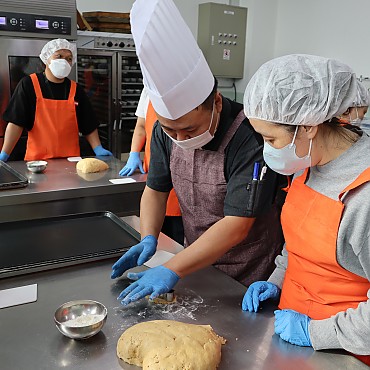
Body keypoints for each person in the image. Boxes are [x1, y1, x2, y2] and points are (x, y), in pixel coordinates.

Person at [111, 0, 285, 306]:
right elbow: (155, 190)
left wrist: (171, 267)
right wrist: (149, 236)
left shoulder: (251, 137)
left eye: (189, 130)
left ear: (216, 102)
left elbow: (237, 224)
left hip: (250, 271)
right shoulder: (163, 132)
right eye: (170, 129)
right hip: (196, 263)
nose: (179, 138)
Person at [242, 54, 370, 365]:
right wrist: (277, 280)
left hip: (346, 352)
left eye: (271, 138)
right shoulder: (306, 161)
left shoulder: (364, 195)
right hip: (290, 333)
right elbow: (300, 246)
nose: (267, 149)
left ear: (309, 127)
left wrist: (316, 333)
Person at [0, 38, 112, 162]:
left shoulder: (76, 89)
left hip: (71, 161)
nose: (64, 61)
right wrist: (4, 153)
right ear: (46, 59)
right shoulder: (29, 84)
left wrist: (98, 148)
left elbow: (88, 124)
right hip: (38, 163)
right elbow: (16, 123)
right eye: (59, 56)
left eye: (69, 58)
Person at [119, 87, 184, 245]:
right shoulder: (148, 91)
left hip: (182, 170)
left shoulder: (185, 90)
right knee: (155, 232)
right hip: (155, 168)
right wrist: (134, 153)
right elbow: (141, 126)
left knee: (176, 240)